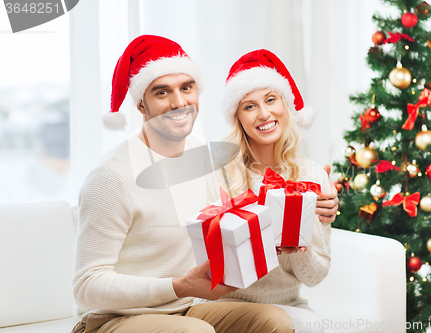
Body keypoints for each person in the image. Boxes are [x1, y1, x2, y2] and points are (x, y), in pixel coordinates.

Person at [72, 35, 296, 333]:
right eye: (162, 92)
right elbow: (87, 286)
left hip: (187, 308)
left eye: (186, 88)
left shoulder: (201, 157)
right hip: (113, 319)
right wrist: (178, 286)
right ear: (141, 104)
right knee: (195, 332)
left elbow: (230, 217)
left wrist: (297, 218)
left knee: (274, 321)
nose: (180, 103)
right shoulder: (112, 176)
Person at [216, 49, 333, 333]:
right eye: (249, 106)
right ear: (238, 117)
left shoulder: (312, 176)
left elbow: (316, 276)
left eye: (270, 99)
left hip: (288, 304)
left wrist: (297, 250)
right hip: (223, 306)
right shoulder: (218, 173)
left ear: (285, 105)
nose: (264, 114)